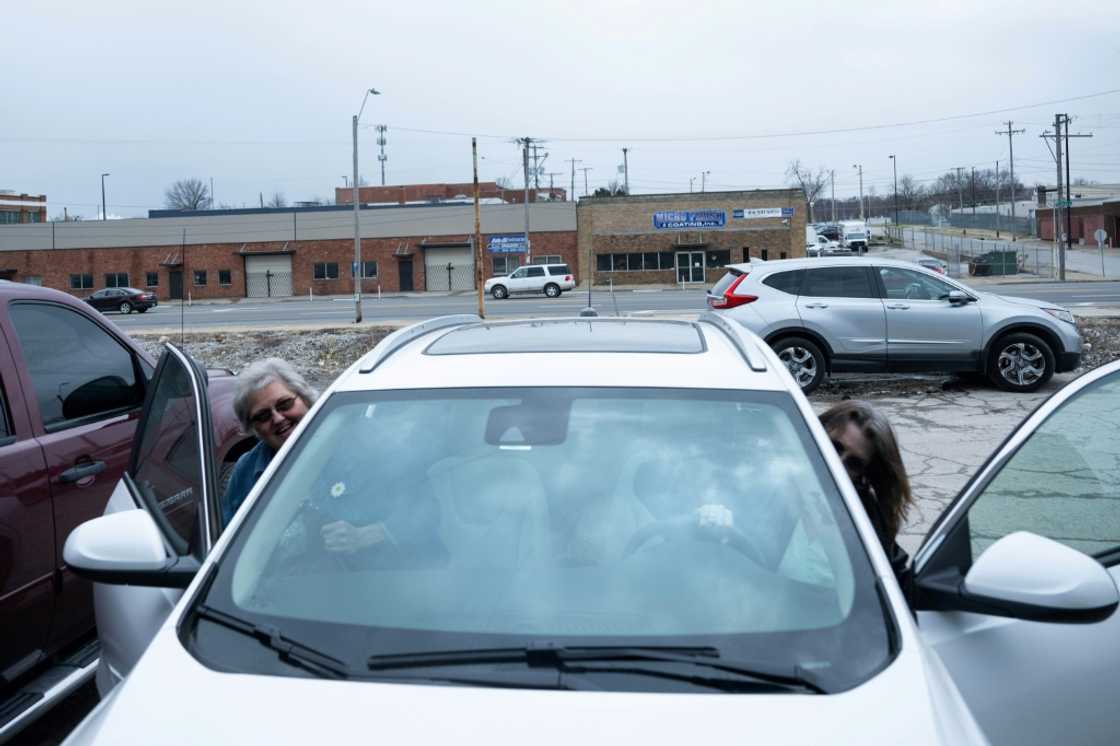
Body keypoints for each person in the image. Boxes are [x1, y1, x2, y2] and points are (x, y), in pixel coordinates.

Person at [818, 400, 914, 588]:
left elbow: (893, 580)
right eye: (834, 447)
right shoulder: (762, 482)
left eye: (853, 463)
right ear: (813, 432)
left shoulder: (865, 523)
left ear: (864, 475)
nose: (836, 464)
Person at [222, 358, 317, 527]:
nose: (278, 418)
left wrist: (371, 533)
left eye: (285, 404)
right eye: (263, 416)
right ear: (253, 428)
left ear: (305, 398)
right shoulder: (245, 472)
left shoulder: (348, 443)